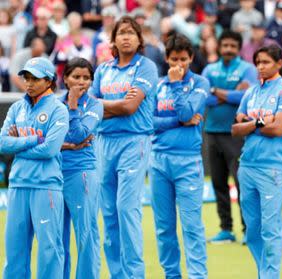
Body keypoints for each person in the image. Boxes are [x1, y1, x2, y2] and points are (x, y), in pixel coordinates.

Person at [88, 16, 158, 278]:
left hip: (134, 140)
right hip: (104, 143)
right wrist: (111, 106)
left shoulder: (146, 67)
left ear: (140, 40)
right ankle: (118, 274)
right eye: (121, 33)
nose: (126, 37)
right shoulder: (104, 70)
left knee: (126, 208)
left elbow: (130, 108)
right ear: (113, 40)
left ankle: (134, 274)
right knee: (108, 212)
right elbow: (88, 107)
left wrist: (102, 105)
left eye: (131, 33)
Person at [231, 44, 282, 278]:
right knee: (252, 231)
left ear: (279, 64)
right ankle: (264, 274)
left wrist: (250, 124)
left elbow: (278, 128)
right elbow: (236, 129)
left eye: (266, 62)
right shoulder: (250, 92)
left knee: (270, 230)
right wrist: (259, 123)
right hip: (247, 166)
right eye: (258, 62)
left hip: (272, 168)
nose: (260, 66)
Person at [0, 57, 69, 278]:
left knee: (49, 249)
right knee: (14, 250)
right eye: (26, 78)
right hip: (18, 184)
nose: (28, 83)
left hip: (45, 186)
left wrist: (17, 144)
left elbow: (50, 149)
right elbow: (2, 143)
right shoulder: (17, 107)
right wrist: (31, 141)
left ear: (48, 81)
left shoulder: (58, 110)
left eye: (35, 78)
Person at [150, 33, 209, 279]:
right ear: (166, 58)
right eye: (174, 59)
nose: (179, 65)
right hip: (158, 161)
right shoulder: (157, 85)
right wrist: (178, 122)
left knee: (192, 226)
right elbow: (148, 122)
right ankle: (171, 275)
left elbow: (187, 113)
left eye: (183, 59)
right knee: (164, 228)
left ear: (191, 58)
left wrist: (176, 87)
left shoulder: (200, 83)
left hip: (188, 161)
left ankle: (197, 276)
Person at [201, 30, 258, 243]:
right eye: (225, 45)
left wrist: (217, 91)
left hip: (236, 134)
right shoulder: (209, 68)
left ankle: (247, 230)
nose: (228, 49)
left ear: (238, 48)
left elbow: (247, 95)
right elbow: (203, 98)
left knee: (242, 183)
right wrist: (230, 93)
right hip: (213, 132)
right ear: (219, 46)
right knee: (218, 183)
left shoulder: (247, 68)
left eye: (232, 46)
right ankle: (226, 229)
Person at [60, 58, 103, 279]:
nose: (81, 82)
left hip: (82, 173)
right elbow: (45, 139)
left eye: (86, 78)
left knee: (86, 235)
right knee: (57, 237)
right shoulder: (54, 104)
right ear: (65, 78)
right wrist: (65, 145)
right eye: (76, 77)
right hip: (55, 175)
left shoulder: (95, 105)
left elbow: (79, 134)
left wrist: (73, 106)